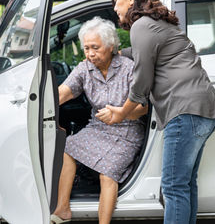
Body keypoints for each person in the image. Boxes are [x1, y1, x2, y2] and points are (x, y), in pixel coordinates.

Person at [96, 0, 215, 224]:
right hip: (205, 109)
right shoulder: (157, 23)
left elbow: (141, 81)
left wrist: (121, 112)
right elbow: (151, 52)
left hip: (184, 111)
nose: (114, 7)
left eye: (116, 0)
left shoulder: (141, 25)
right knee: (184, 185)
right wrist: (120, 53)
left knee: (174, 187)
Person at [51, 16, 148, 224]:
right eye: (86, 48)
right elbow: (62, 94)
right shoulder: (85, 68)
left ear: (111, 45)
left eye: (95, 47)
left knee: (107, 173)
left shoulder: (128, 68)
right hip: (99, 128)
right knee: (66, 148)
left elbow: (143, 107)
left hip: (128, 131)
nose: (90, 54)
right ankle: (62, 209)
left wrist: (121, 112)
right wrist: (40, 108)